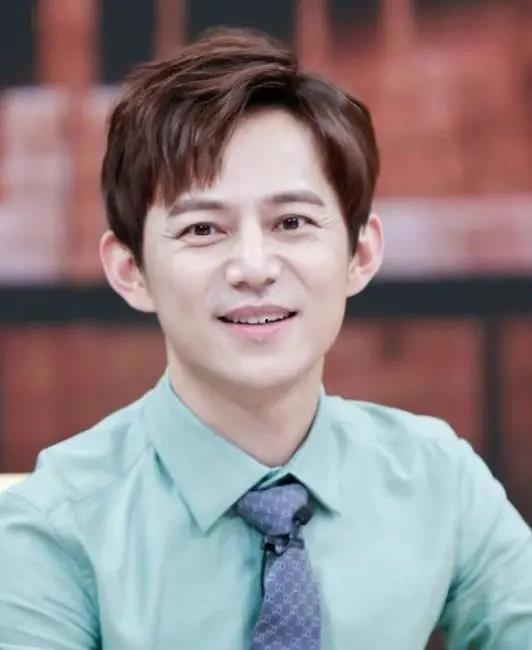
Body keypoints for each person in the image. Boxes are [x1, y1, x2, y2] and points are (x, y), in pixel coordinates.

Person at [0, 27, 531, 650]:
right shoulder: (54, 526)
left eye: (292, 222)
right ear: (131, 270)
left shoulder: (438, 479)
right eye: (202, 229)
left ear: (361, 254)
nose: (253, 267)